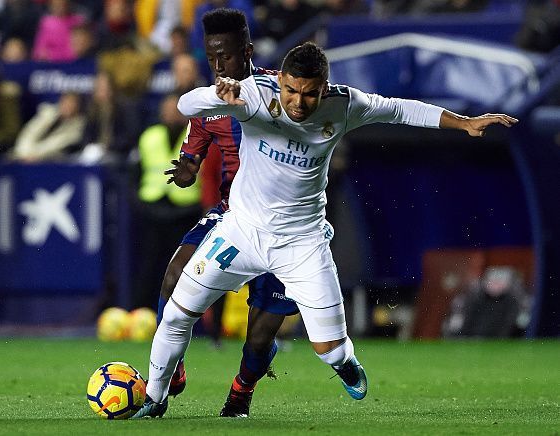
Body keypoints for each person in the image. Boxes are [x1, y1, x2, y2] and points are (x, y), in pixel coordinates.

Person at [135, 38, 518, 419]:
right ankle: (154, 398)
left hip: (302, 244)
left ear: (325, 87)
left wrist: (464, 123)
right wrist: (218, 95)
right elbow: (187, 105)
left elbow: (401, 110)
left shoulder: (345, 105)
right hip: (241, 231)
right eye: (292, 91)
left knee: (329, 349)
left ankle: (345, 362)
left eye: (310, 94)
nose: (299, 103)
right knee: (176, 313)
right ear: (280, 79)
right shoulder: (252, 95)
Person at [136, 9, 301, 419]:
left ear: (246, 51)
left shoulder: (280, 92)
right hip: (232, 215)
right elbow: (194, 152)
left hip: (283, 222)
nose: (219, 67)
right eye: (211, 59)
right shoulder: (208, 103)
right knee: (174, 275)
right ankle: (172, 371)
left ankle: (240, 396)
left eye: (225, 57)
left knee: (260, 334)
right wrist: (188, 168)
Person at [132, 93, 202, 309]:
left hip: (185, 210)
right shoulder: (149, 136)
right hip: (153, 208)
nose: (172, 114)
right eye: (168, 109)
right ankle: (141, 312)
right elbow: (135, 172)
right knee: (148, 266)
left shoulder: (196, 135)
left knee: (184, 267)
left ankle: (182, 313)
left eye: (177, 110)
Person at [11, 92, 86, 162]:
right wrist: (23, 153)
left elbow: (54, 145)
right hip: (21, 155)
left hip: (47, 160)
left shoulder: (78, 127)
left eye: (72, 104)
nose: (68, 106)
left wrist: (32, 155)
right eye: (66, 102)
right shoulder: (47, 113)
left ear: (77, 107)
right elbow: (28, 133)